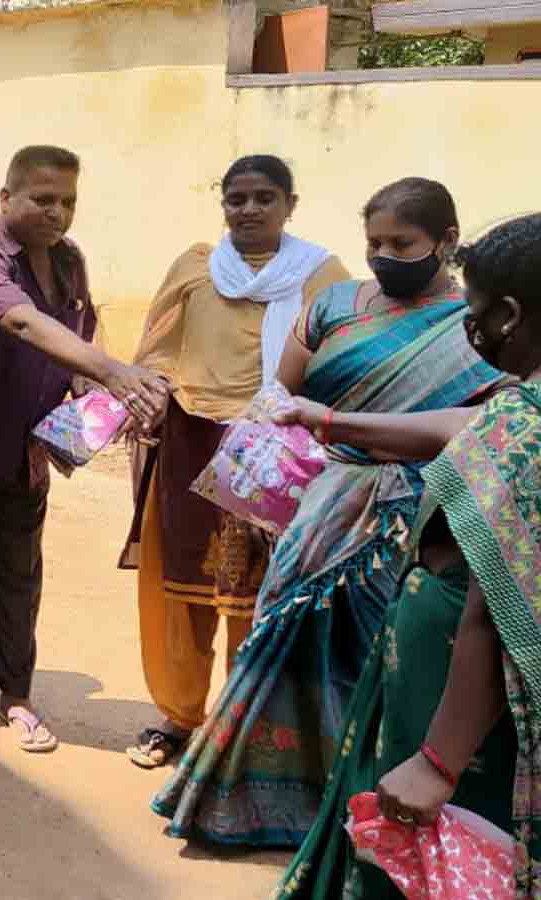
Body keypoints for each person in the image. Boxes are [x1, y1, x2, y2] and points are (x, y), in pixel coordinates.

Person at [151, 178, 506, 845]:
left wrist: (343, 424)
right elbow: (281, 396)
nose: (385, 255)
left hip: (409, 516)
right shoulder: (334, 304)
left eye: (403, 243)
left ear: (447, 242)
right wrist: (253, 482)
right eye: (375, 242)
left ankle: (359, 805)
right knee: (282, 645)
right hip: (318, 504)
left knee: (377, 659)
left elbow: (478, 428)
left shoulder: (470, 327)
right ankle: (249, 804)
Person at [273, 214, 541, 898]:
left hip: (468, 703)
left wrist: (438, 760)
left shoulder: (528, 430)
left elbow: (494, 605)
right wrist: (329, 421)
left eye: (475, 311)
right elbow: (475, 426)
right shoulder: (522, 408)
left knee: (440, 865)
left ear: (509, 314)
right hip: (464, 685)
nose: (469, 326)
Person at [0, 145, 166, 751]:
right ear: (6, 199)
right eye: (43, 199)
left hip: (21, 450)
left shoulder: (69, 261)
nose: (57, 213)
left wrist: (95, 397)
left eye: (68, 201)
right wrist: (115, 371)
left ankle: (15, 696)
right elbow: (21, 323)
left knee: (18, 577)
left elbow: (76, 335)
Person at [119, 155, 349, 768]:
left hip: (274, 452)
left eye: (263, 198)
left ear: (289, 205)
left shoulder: (321, 276)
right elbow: (159, 348)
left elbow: (340, 361)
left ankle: (241, 727)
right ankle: (177, 717)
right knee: (184, 592)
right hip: (192, 443)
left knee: (261, 594)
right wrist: (155, 391)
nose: (248, 209)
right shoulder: (195, 268)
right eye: (236, 198)